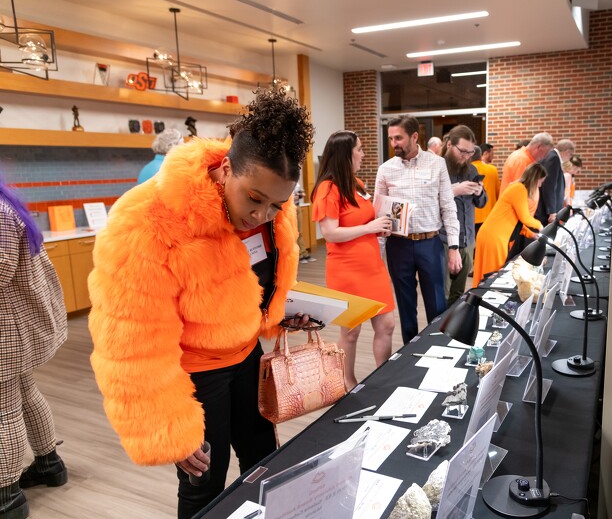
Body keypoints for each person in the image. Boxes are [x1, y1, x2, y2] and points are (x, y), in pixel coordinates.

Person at [88, 88, 314, 518]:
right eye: (254, 199)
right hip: (194, 375)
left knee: (264, 459)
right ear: (226, 167)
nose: (262, 214)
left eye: (277, 205)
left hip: (247, 357)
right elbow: (129, 338)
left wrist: (279, 315)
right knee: (204, 481)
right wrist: (168, 423)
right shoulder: (147, 220)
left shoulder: (269, 208)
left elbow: (258, 282)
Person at [0, 176, 68, 519]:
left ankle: (6, 495)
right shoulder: (5, 202)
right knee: (25, 394)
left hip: (7, 331)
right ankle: (48, 463)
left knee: (4, 410)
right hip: (17, 327)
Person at [311, 130, 396, 390]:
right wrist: (369, 229)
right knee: (351, 331)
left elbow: (362, 220)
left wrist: (378, 226)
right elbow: (330, 232)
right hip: (346, 270)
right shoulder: (327, 189)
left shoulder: (356, 184)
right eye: (358, 149)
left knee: (388, 325)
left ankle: (384, 377)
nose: (362, 154)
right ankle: (347, 381)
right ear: (345, 155)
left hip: (372, 266)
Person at [375, 115, 461, 345]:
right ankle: (408, 356)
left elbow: (448, 207)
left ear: (414, 136)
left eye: (399, 138)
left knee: (437, 305)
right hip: (398, 245)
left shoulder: (436, 164)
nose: (394, 143)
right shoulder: (385, 170)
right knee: (406, 308)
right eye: (391, 138)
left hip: (430, 244)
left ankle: (438, 350)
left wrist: (454, 247)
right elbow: (380, 216)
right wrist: (377, 255)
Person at [472, 163, 547, 287]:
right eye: (540, 182)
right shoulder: (519, 189)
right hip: (493, 237)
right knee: (490, 277)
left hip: (494, 236)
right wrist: (541, 227)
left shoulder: (518, 188)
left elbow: (516, 222)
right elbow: (525, 218)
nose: (540, 185)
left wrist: (532, 234)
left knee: (490, 275)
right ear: (534, 180)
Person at [439, 125, 487, 306]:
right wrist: (455, 191)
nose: (466, 156)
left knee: (459, 294)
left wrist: (479, 193)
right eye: (462, 152)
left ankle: (451, 330)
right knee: (442, 292)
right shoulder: (437, 168)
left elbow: (482, 203)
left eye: (470, 152)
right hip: (443, 241)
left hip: (467, 239)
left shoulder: (471, 170)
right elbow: (426, 205)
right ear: (449, 145)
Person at [536, 139, 575, 225]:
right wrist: (552, 211)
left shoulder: (553, 157)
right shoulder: (553, 158)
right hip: (545, 211)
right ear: (566, 151)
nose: (570, 158)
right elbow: (549, 185)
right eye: (571, 155)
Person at [472, 144, 500, 235]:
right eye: (492, 153)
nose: (493, 156)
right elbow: (498, 192)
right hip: (489, 215)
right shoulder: (493, 170)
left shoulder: (467, 170)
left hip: (472, 216)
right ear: (484, 154)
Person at [293, 181, 316, 263]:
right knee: (294, 233)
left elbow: (302, 194)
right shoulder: (284, 182)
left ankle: (304, 253)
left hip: (297, 206)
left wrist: (298, 196)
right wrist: (297, 196)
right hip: (289, 209)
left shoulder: (296, 184)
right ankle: (299, 255)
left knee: (300, 232)